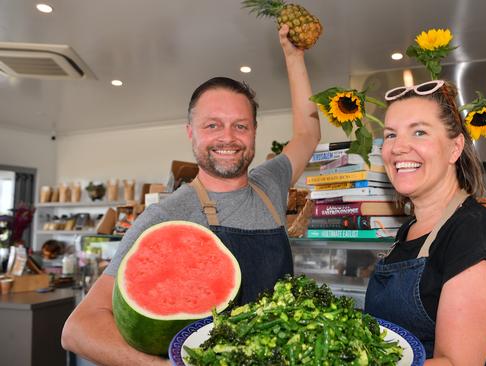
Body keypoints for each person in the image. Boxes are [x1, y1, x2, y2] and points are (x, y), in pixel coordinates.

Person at [61, 24, 320, 365]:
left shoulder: (270, 183)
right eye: (212, 125)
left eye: (240, 125)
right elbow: (79, 327)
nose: (228, 137)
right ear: (191, 133)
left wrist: (294, 56)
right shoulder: (166, 216)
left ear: (254, 131)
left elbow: (308, 133)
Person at [363, 80, 486, 365]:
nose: (398, 147)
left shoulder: (474, 232)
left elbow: (455, 363)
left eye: (420, 132)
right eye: (390, 135)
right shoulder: (408, 231)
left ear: (454, 148)